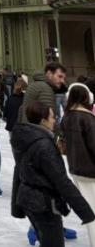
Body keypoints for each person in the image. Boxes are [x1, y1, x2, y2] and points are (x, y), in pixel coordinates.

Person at [12, 101, 95, 247]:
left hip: (28, 200)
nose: (55, 120)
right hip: (42, 205)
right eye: (52, 117)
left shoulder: (26, 138)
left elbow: (18, 170)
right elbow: (62, 181)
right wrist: (85, 211)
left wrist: (16, 205)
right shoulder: (44, 146)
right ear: (43, 121)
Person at [60, 83, 95, 246]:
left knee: (89, 210)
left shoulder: (66, 117)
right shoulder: (87, 118)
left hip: (76, 168)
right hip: (91, 170)